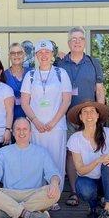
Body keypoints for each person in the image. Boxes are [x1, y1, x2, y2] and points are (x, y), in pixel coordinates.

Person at [56, 27, 106, 207]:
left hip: (90, 117)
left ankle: (100, 190)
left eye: (80, 39)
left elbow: (99, 89)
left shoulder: (94, 63)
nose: (77, 42)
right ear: (69, 43)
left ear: (84, 42)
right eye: (73, 39)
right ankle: (75, 192)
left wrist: (101, 113)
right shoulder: (60, 63)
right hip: (67, 116)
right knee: (71, 153)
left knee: (94, 150)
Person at [0, 118, 61, 218]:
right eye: (18, 129)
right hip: (10, 195)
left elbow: (53, 173)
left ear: (30, 132)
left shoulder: (41, 152)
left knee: (55, 193)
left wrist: (54, 183)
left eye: (25, 129)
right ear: (13, 132)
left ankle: (8, 213)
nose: (22, 132)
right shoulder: (3, 152)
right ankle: (30, 215)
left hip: (34, 194)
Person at [21, 39, 72, 205]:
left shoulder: (61, 73)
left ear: (52, 54)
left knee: (56, 161)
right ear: (36, 55)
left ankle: (54, 197)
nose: (44, 55)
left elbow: (66, 100)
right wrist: (35, 121)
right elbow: (24, 102)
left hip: (56, 127)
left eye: (47, 52)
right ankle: (39, 198)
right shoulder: (30, 75)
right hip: (36, 128)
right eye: (40, 52)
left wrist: (53, 122)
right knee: (37, 162)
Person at [66, 101, 109, 218]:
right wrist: (98, 160)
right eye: (84, 112)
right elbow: (80, 170)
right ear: (80, 117)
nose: (88, 114)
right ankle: (93, 206)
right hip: (88, 180)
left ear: (97, 115)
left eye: (92, 111)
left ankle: (108, 209)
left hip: (108, 180)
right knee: (84, 188)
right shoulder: (75, 139)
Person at [4, 43, 31, 120]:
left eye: (19, 53)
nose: (16, 55)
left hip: (31, 117)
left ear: (24, 55)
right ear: (9, 56)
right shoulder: (3, 76)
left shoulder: (31, 73)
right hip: (10, 118)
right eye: (13, 53)